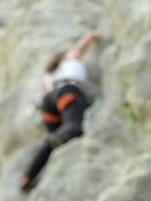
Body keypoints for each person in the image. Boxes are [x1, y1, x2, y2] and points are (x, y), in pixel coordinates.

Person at [19, 32, 100, 191]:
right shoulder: (70, 59)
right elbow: (87, 39)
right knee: (74, 127)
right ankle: (62, 136)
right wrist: (100, 35)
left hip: (48, 104)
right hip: (67, 92)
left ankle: (27, 176)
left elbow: (43, 94)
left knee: (50, 141)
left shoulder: (49, 74)